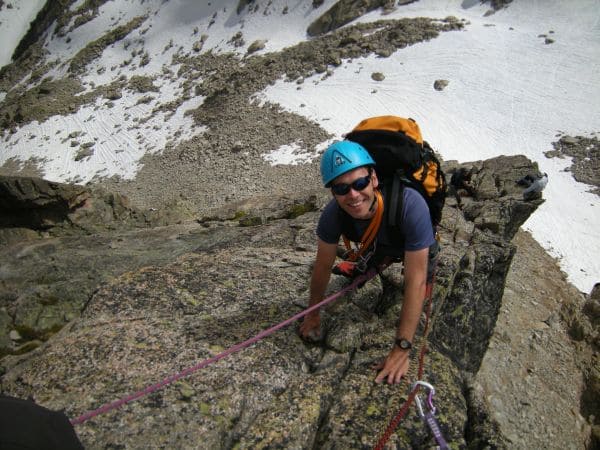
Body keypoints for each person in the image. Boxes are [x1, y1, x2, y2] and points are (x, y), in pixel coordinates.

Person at [299, 140, 437, 385]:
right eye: (341, 189)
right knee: (373, 257)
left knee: (421, 276)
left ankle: (383, 258)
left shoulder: (410, 206)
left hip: (410, 242)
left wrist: (402, 348)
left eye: (360, 183)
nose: (352, 194)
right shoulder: (333, 215)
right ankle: (378, 259)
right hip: (379, 242)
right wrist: (313, 313)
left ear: (373, 179)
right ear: (333, 193)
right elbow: (322, 267)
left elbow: (415, 281)